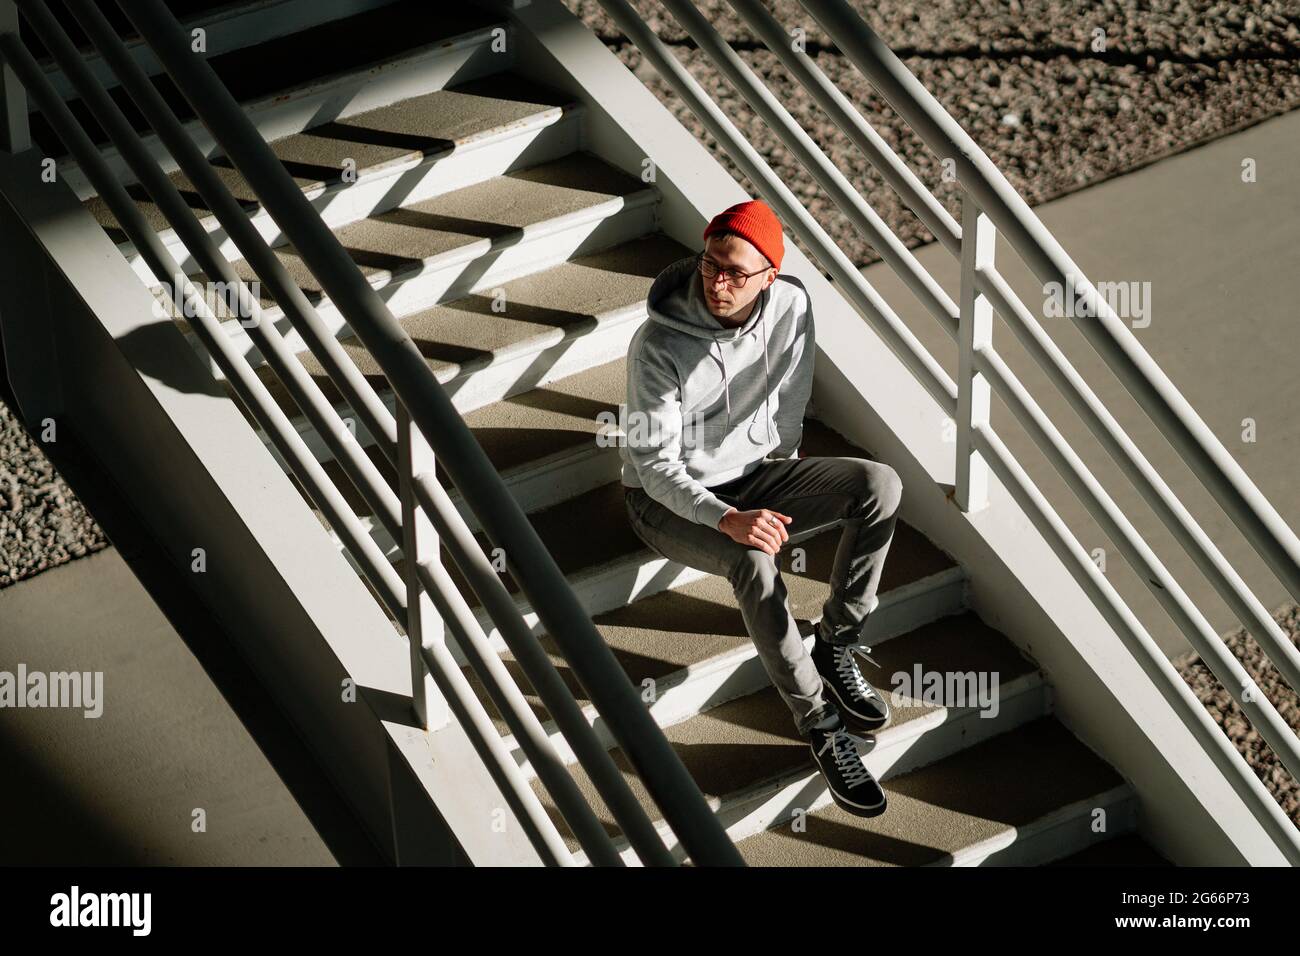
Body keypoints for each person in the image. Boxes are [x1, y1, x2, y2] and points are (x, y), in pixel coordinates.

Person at [619, 199, 903, 818]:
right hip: (665, 499)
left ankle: (837, 642)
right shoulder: (658, 344)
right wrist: (726, 517)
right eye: (711, 265)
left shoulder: (794, 305)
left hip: (754, 474)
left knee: (879, 485)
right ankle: (820, 723)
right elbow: (650, 465)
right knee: (753, 562)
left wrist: (783, 471)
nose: (719, 282)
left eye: (737, 273)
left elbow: (792, 393)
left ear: (770, 277)